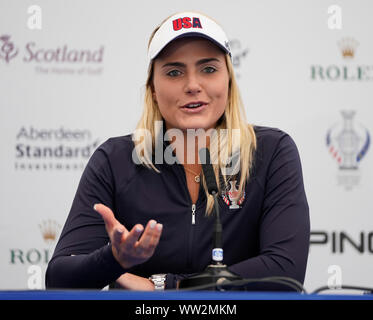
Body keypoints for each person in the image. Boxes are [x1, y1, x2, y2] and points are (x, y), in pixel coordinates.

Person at [46, 11, 310, 291]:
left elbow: (285, 272)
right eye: (174, 72)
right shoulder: (115, 160)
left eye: (208, 69)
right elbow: (60, 278)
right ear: (153, 89)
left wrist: (162, 286)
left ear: (228, 80)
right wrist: (112, 259)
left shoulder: (270, 152)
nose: (193, 85)